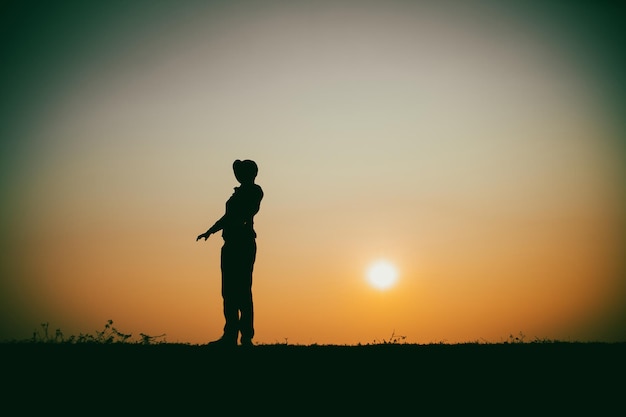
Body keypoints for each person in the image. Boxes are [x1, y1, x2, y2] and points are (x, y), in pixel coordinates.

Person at [197, 159, 264, 348]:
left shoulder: (254, 191)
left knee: (242, 290)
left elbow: (244, 212)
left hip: (242, 244)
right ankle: (230, 334)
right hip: (231, 244)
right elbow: (227, 217)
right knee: (228, 291)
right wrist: (211, 230)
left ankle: (246, 336)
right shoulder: (239, 194)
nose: (237, 175)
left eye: (241, 172)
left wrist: (225, 225)